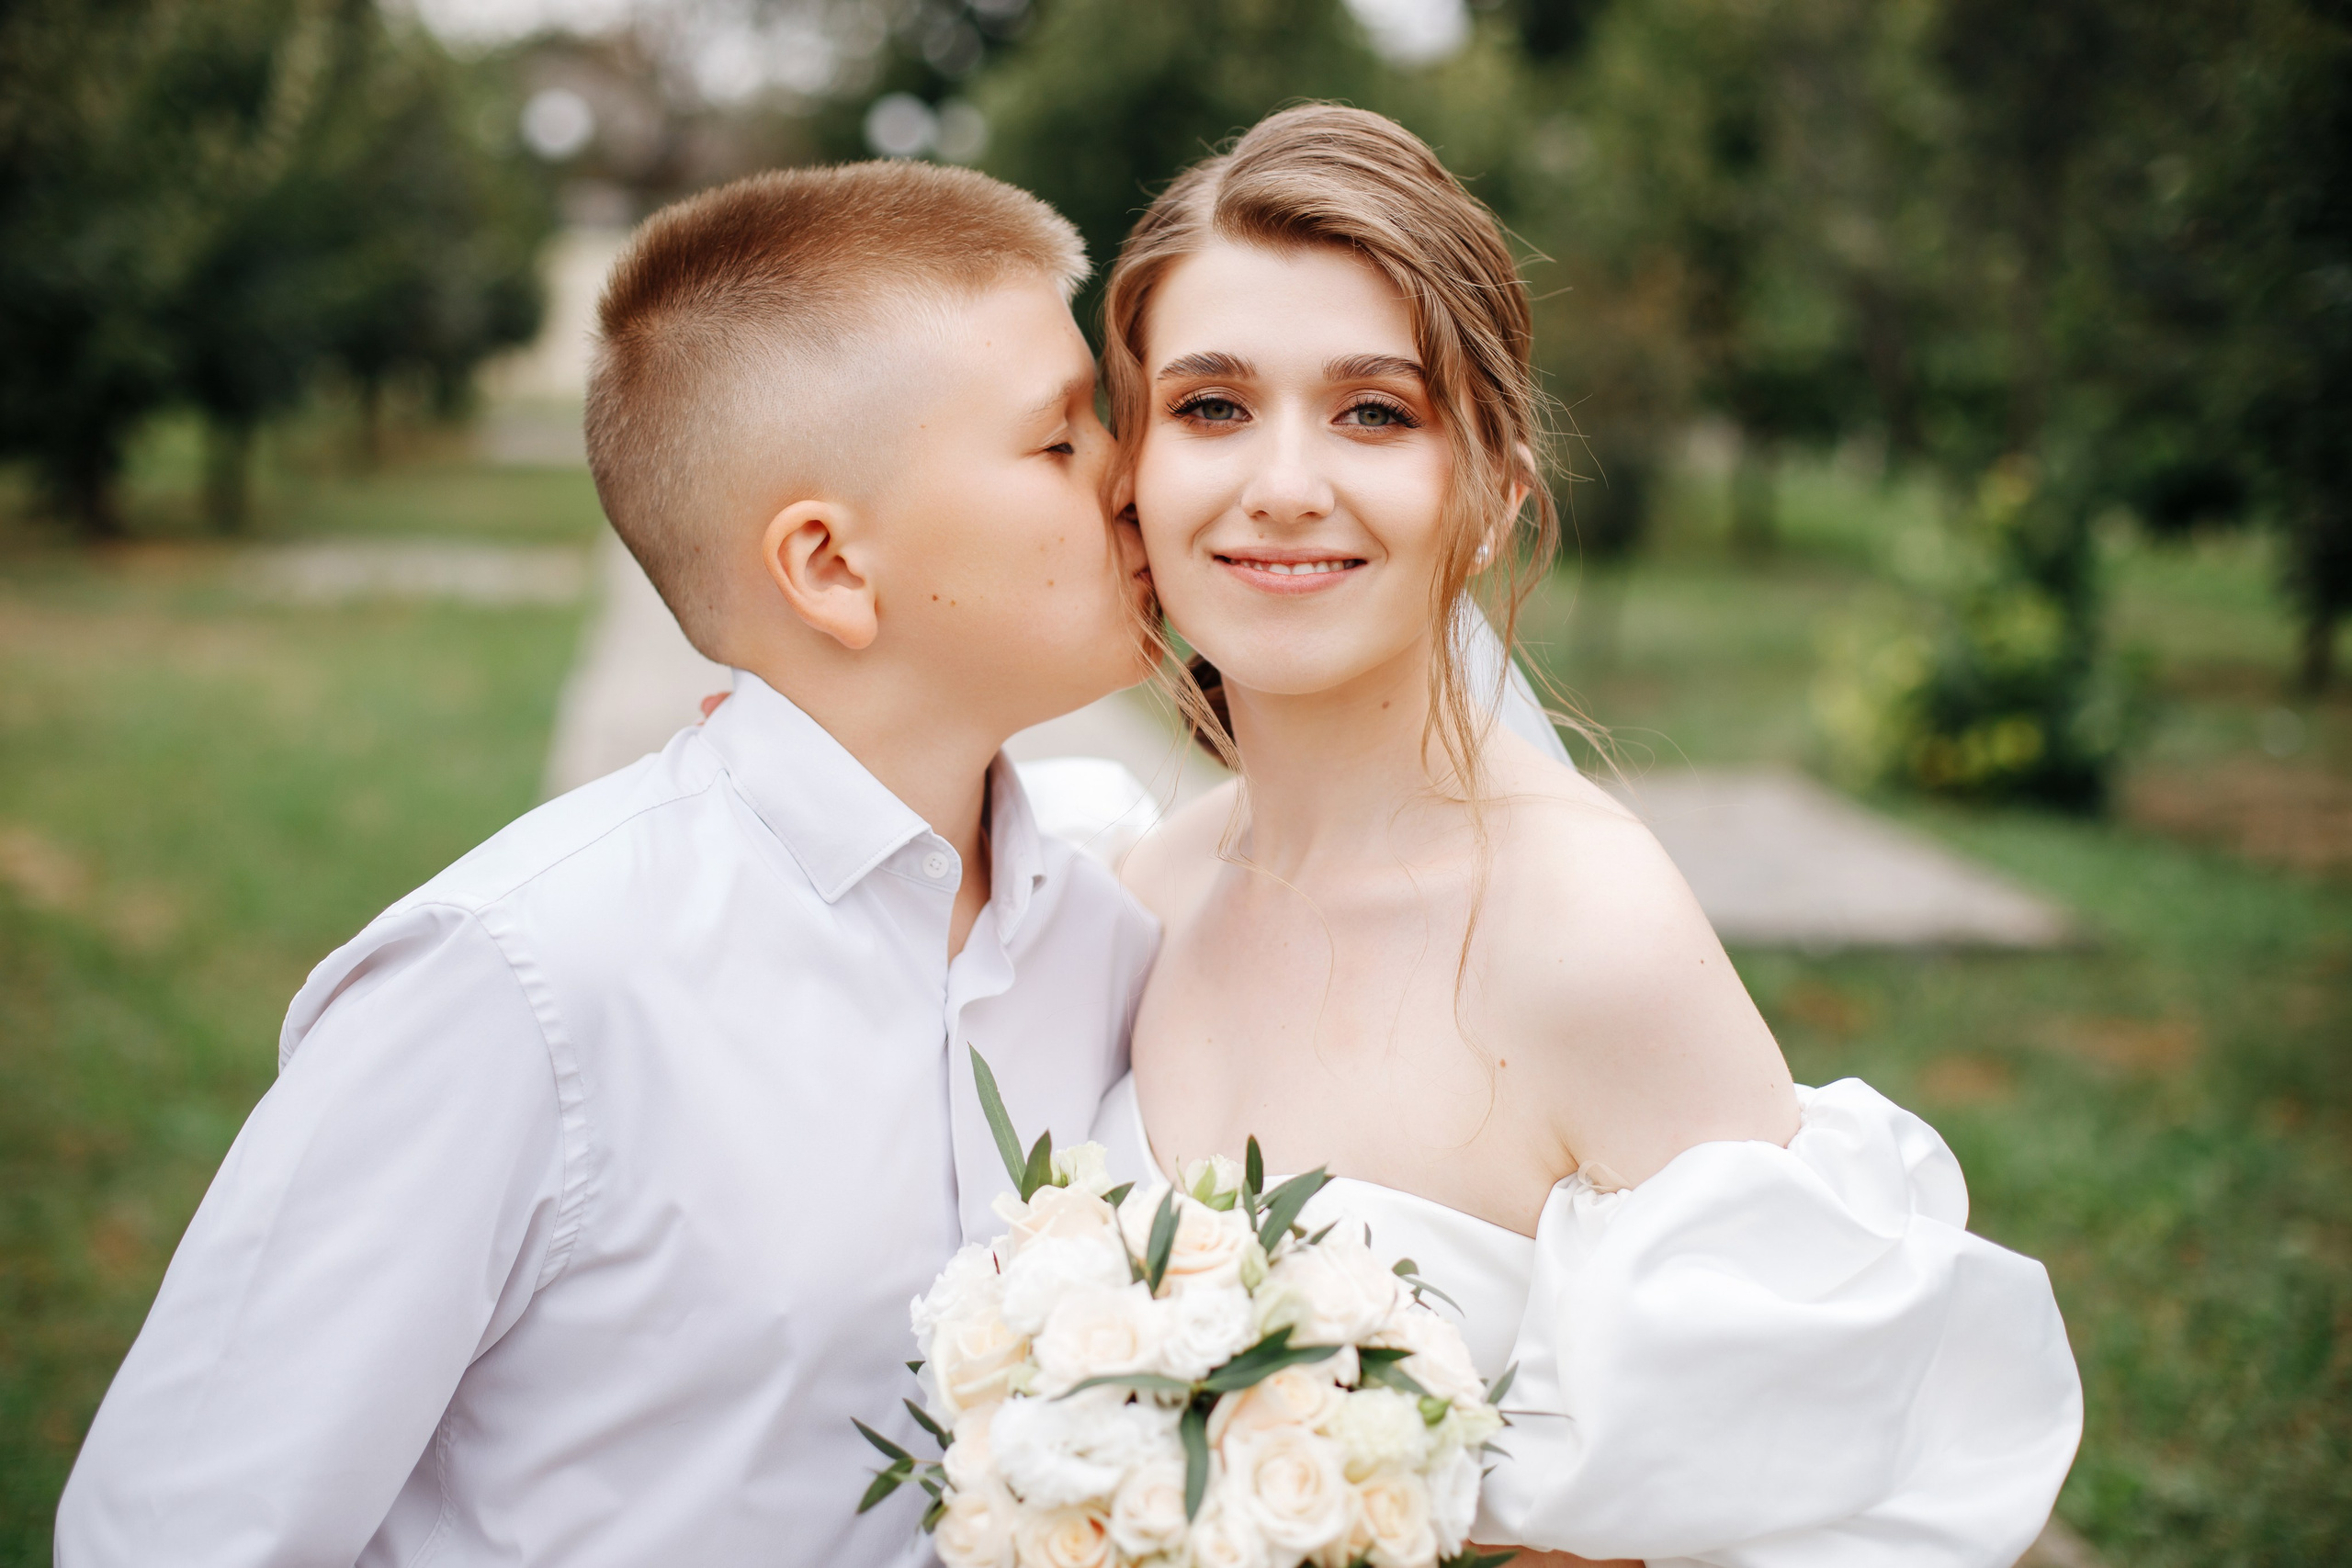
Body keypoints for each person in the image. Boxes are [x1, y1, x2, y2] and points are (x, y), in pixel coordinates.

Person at [56, 162, 1159, 1567]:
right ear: (827, 566)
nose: (1134, 474)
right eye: (1060, 442)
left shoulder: (1109, 918)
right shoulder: (519, 983)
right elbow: (178, 1537)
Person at [1090, 105, 2083, 1567]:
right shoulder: (1141, 889)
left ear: (1491, 494)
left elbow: (1830, 1509)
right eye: (1212, 406)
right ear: (1133, 472)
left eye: (1374, 410)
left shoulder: (1590, 935)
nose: (1281, 482)